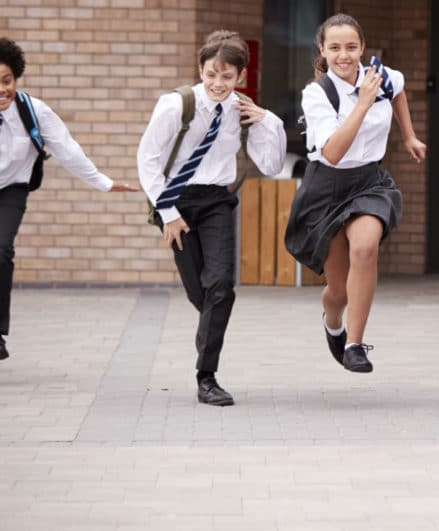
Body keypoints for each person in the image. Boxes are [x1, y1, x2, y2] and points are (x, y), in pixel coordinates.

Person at [138, 30, 286, 405]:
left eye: (227, 76)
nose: (218, 84)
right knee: (201, 294)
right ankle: (210, 331)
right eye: (211, 74)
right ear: (200, 70)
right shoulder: (176, 105)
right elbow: (147, 160)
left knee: (221, 286)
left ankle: (207, 377)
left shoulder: (244, 110)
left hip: (217, 201)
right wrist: (168, 214)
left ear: (241, 76)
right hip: (176, 201)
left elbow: (270, 165)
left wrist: (269, 122)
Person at [284, 14, 426, 375]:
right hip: (327, 187)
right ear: (322, 50)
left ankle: (355, 344)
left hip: (368, 181)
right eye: (334, 48)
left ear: (362, 47)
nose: (343, 55)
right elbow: (332, 153)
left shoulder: (382, 76)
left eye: (351, 46)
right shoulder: (317, 94)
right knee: (339, 290)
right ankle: (333, 322)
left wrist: (408, 135)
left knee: (365, 248)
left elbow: (398, 91)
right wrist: (362, 104)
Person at [0, 37, 138, 361]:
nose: (2, 90)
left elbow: (67, 150)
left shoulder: (34, 112)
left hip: (12, 189)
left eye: (7, 80)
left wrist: (103, 183)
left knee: (1, 250)